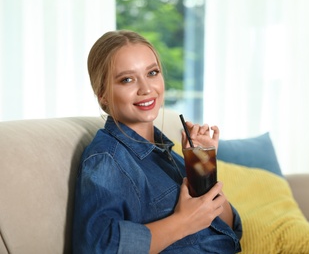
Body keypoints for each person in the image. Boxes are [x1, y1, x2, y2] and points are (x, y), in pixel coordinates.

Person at [72, 30, 242, 253]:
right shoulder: (107, 159)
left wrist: (202, 169)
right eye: (127, 79)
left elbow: (230, 230)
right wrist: (182, 222)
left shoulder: (168, 154)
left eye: (152, 73)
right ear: (102, 94)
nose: (146, 89)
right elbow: (99, 246)